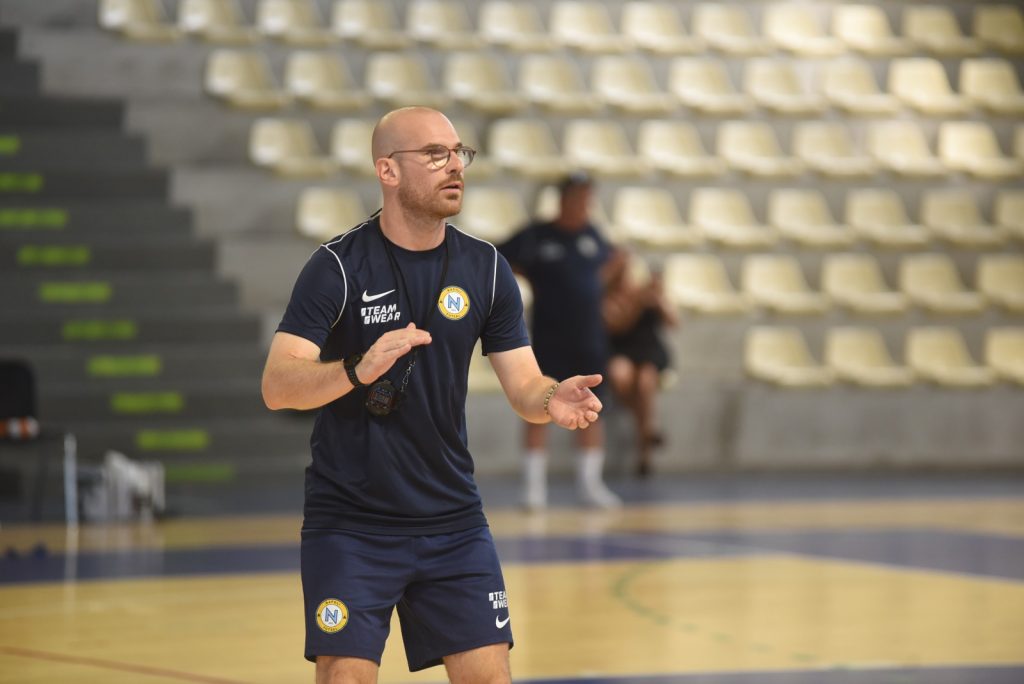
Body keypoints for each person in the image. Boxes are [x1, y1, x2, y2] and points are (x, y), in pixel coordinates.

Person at [261, 107, 606, 684]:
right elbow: (277, 386)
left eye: (459, 153)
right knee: (345, 677)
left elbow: (524, 383)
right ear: (387, 171)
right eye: (435, 154)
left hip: (452, 519)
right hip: (352, 523)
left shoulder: (486, 267)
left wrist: (551, 400)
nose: (455, 167)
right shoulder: (337, 267)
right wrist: (354, 369)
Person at [497, 173, 622, 511]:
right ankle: (534, 489)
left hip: (590, 339)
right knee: (541, 406)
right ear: (563, 198)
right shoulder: (537, 235)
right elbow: (498, 258)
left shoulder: (594, 236)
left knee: (594, 409)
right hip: (549, 338)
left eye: (588, 197)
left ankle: (591, 485)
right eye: (578, 196)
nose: (583, 204)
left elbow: (608, 269)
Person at [602, 250, 678, 477]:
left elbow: (673, 322)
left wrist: (660, 301)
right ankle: (647, 431)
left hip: (649, 350)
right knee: (621, 376)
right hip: (621, 350)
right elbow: (617, 325)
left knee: (646, 381)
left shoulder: (647, 293)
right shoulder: (606, 298)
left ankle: (644, 450)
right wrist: (639, 302)